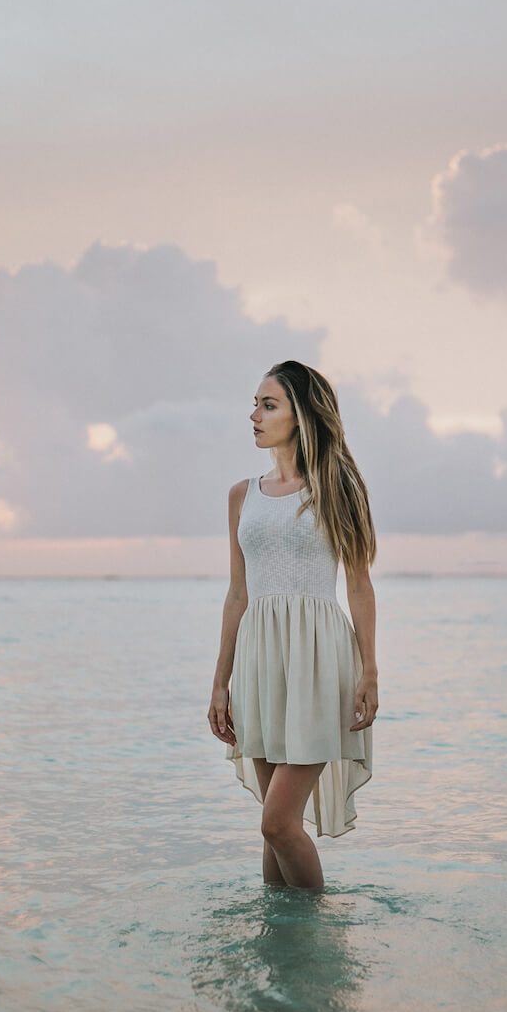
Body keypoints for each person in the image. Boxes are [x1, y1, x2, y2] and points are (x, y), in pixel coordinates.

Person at [207, 360, 379, 890]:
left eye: (268, 404)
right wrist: (220, 681)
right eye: (255, 404)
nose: (254, 415)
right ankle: (281, 952)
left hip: (317, 661)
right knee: (272, 830)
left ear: (301, 415)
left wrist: (369, 670)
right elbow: (238, 594)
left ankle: (320, 948)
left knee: (279, 823)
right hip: (260, 663)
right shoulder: (242, 496)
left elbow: (357, 585)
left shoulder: (336, 485)